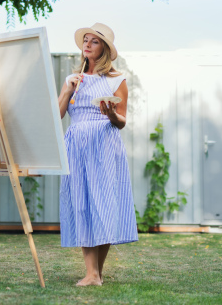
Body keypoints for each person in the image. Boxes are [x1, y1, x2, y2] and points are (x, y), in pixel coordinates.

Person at [58, 23, 138, 286]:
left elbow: (122, 121)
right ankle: (93, 273)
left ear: (104, 48)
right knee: (82, 205)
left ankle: (95, 274)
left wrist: (112, 114)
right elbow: (56, 115)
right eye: (86, 40)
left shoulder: (117, 80)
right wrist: (68, 90)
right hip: (76, 145)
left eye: (94, 41)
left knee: (103, 206)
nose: (88, 44)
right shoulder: (72, 80)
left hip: (104, 143)